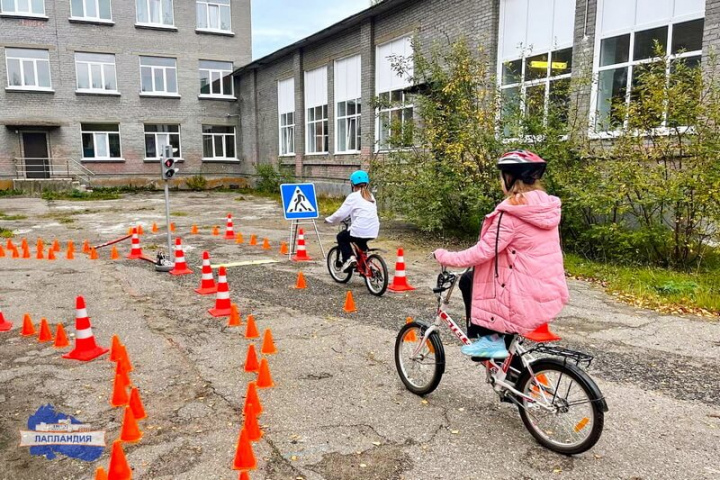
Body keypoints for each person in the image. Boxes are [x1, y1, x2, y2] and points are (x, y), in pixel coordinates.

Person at [433, 150, 569, 359]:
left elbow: (482, 252)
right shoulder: (544, 207)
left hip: (520, 295)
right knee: (508, 354)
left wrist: (445, 256)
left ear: (510, 178)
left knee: (469, 280)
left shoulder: (512, 214)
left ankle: (489, 339)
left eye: (501, 177)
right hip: (546, 289)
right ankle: (513, 383)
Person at [325, 170, 380, 272]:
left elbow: (341, 213)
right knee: (360, 243)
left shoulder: (353, 196)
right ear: (367, 183)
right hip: (373, 229)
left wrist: (329, 220)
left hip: (360, 229)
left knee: (341, 237)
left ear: (352, 184)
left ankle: (349, 259)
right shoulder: (370, 196)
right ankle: (364, 267)